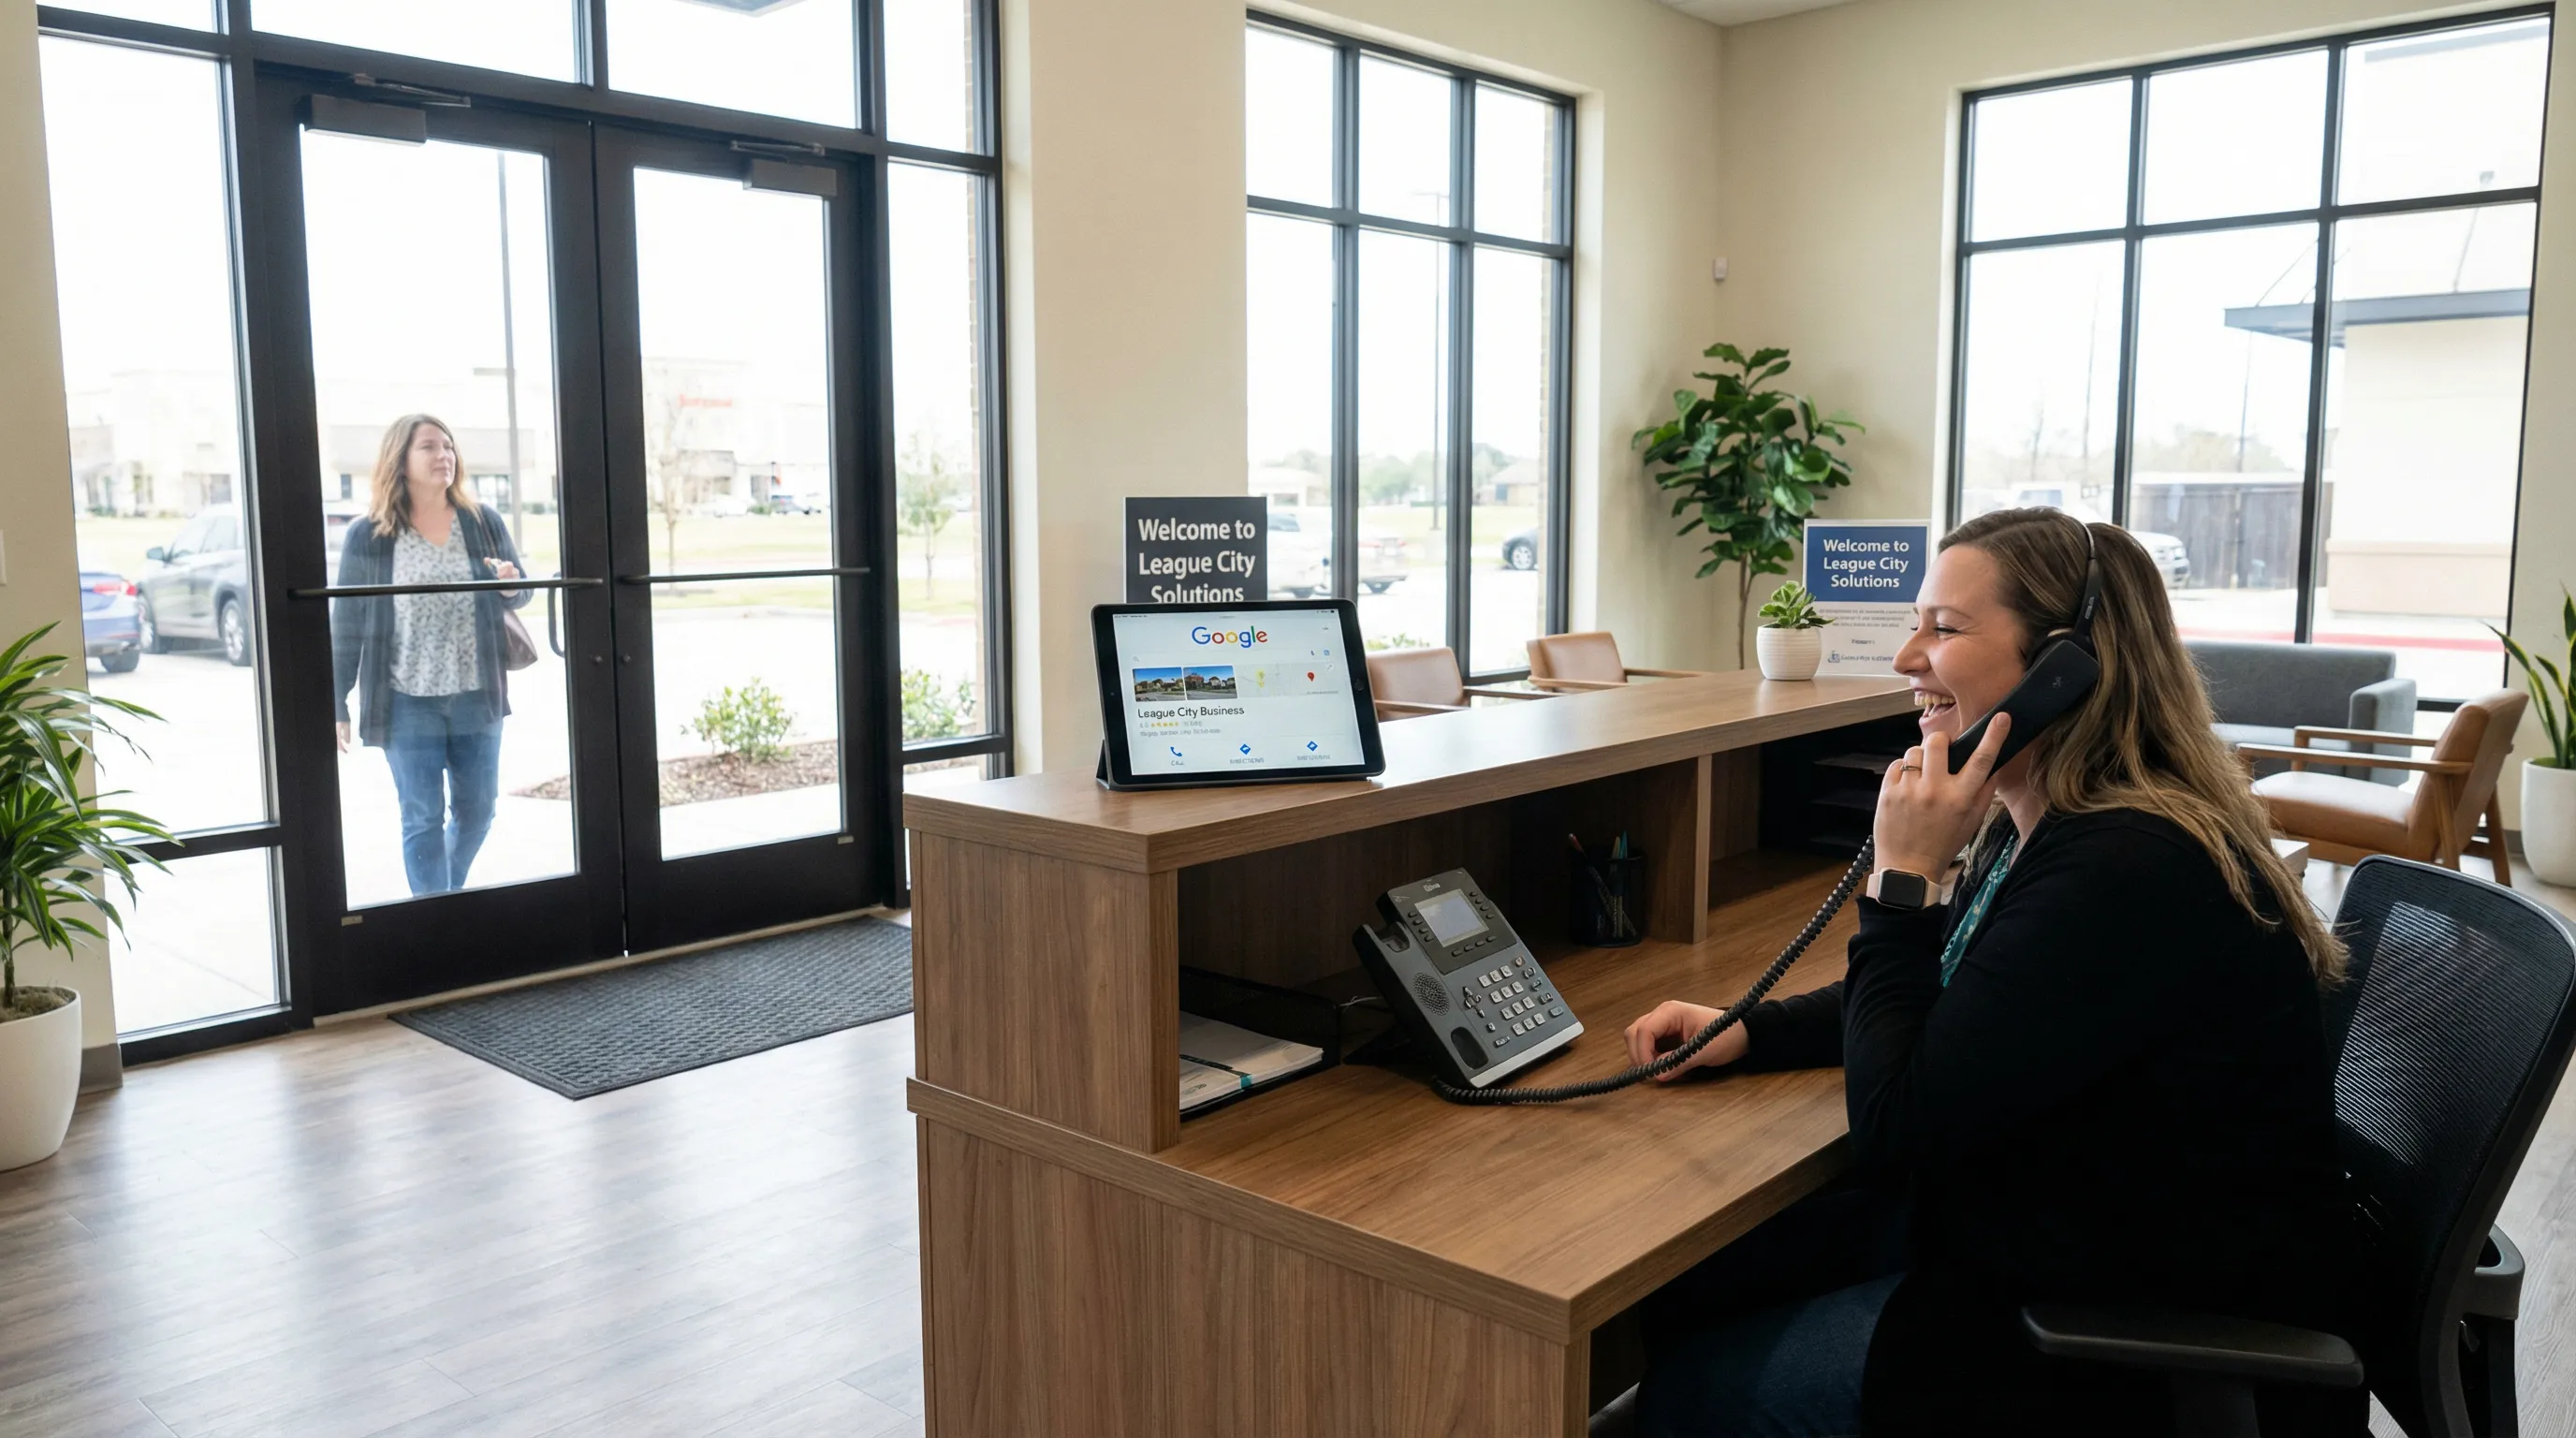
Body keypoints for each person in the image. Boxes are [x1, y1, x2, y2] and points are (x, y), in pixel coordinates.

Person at [1622, 508, 2358, 1437]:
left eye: (1944, 628)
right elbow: (1962, 989)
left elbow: (1897, 1129)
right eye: (1914, 624)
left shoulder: (2124, 866)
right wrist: (1750, 1030)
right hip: (2069, 1231)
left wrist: (1903, 882)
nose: (1906, 658)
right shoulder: (2052, 819)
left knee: (1688, 1394)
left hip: (2119, 1326)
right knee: (1700, 1286)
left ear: (2066, 667)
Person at [330, 414, 529, 897]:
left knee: (478, 811)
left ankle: (443, 902)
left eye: (448, 446)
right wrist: (336, 702)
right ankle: (435, 918)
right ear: (400, 460)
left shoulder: (482, 522)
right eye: (429, 447)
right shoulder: (369, 535)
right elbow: (347, 624)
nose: (444, 455)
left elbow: (520, 592)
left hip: (476, 695)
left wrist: (509, 585)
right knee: (421, 817)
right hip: (406, 700)